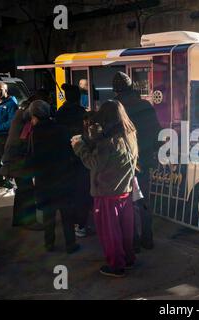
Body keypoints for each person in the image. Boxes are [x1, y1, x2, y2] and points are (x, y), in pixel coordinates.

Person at [72, 100, 138, 277]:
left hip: (107, 193)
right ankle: (128, 259)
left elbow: (93, 163)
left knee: (110, 233)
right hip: (125, 191)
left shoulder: (108, 142)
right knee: (125, 230)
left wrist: (79, 147)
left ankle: (116, 266)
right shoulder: (130, 135)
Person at [113, 71, 161, 251]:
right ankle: (147, 239)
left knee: (127, 203)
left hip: (123, 163)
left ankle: (132, 242)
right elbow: (156, 132)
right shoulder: (145, 106)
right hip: (144, 161)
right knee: (144, 202)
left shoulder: (116, 108)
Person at [28, 100, 80, 253]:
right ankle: (70, 244)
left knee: (48, 215)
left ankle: (49, 243)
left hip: (45, 181)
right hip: (63, 178)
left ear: (35, 116)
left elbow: (32, 158)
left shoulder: (34, 133)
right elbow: (71, 152)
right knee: (67, 214)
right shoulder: (62, 129)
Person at [0, 92, 50, 230]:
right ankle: (30, 221)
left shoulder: (21, 113)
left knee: (22, 190)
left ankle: (18, 220)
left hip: (14, 157)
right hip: (17, 159)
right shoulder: (25, 114)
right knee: (27, 190)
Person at [55, 84, 92, 237]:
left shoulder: (59, 113)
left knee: (68, 192)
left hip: (64, 159)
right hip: (80, 159)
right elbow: (87, 136)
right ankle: (81, 224)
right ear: (77, 97)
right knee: (82, 192)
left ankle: (70, 223)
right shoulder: (81, 113)